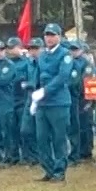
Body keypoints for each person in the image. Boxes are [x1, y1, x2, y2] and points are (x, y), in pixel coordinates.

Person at [33, 23, 73, 182]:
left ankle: (59, 171)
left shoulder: (65, 54)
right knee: (41, 138)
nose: (49, 38)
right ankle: (48, 169)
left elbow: (62, 77)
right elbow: (38, 76)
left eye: (52, 35)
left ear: (59, 37)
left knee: (59, 138)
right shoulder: (42, 55)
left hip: (59, 102)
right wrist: (34, 98)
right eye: (47, 35)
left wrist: (45, 91)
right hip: (43, 104)